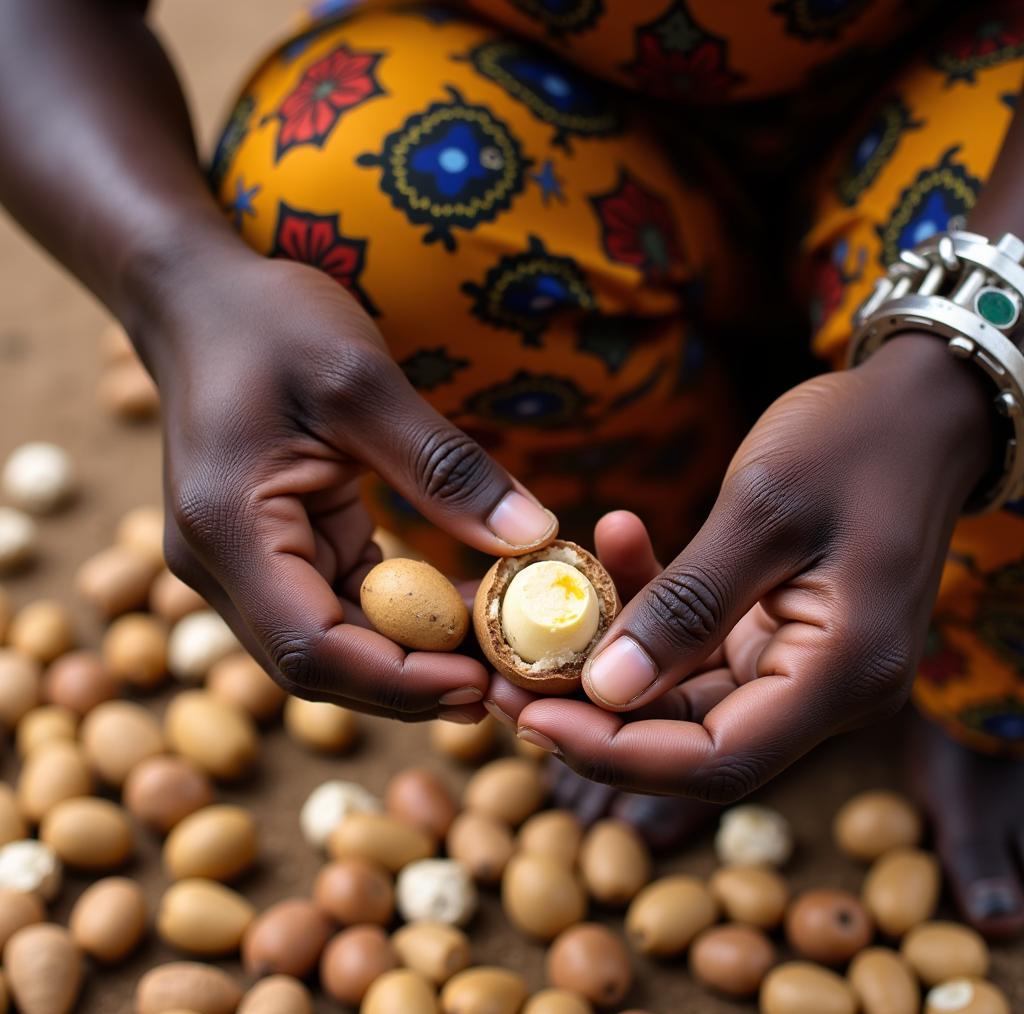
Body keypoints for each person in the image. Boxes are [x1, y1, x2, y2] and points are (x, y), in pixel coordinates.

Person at [2, 0, 1023, 940]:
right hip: (542, 134)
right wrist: (176, 275)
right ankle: (680, 575)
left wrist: (959, 365)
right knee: (333, 194)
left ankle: (973, 633)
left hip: (971, 126)